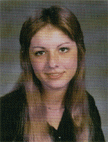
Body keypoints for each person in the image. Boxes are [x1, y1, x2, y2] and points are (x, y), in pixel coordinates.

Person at [0, 5, 105, 142]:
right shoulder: (5, 111)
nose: (52, 63)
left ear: (79, 53)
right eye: (40, 52)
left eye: (63, 49)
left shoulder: (87, 105)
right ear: (27, 59)